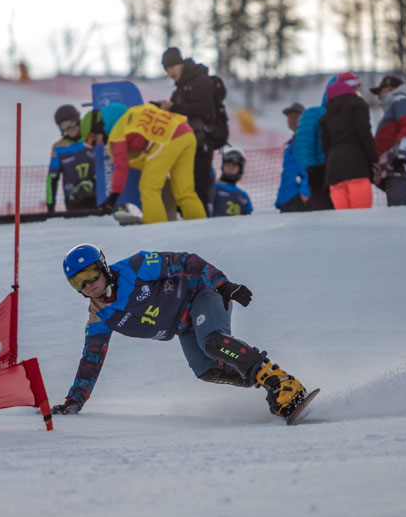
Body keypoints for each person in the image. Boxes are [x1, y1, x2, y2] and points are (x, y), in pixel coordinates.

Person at [52, 243, 310, 419]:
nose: (87, 285)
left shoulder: (135, 267)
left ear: (103, 267)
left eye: (91, 274)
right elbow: (92, 358)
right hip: (182, 326)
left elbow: (186, 261)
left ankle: (283, 382)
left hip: (203, 294)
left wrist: (223, 284)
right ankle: (270, 388)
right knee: (206, 370)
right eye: (78, 281)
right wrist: (75, 400)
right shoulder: (98, 315)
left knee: (212, 342)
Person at [100, 103, 206, 224]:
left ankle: (155, 227)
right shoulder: (136, 112)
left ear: (109, 121)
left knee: (148, 187)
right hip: (187, 133)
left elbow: (121, 167)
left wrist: (113, 196)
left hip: (169, 138)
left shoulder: (118, 130)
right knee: (184, 191)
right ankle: (199, 226)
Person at [155, 47, 227, 215]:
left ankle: (201, 227)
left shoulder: (199, 81)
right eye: (166, 69)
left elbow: (204, 110)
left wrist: (173, 107)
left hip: (202, 140)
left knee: (198, 186)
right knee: (186, 187)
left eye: (171, 67)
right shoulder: (181, 88)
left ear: (180, 64)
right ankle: (191, 224)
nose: (169, 72)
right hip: (188, 142)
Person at [320, 72, 377, 210]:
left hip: (334, 171)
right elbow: (364, 134)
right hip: (356, 166)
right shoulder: (358, 104)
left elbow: (325, 145)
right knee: (361, 215)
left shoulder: (326, 113)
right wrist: (374, 158)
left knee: (343, 220)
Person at [371, 74, 406, 206]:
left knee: (399, 213)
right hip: (392, 167)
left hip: (400, 166)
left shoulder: (402, 100)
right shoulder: (395, 107)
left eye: (380, 92)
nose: (379, 98)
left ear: (389, 88)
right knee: (396, 212)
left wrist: (401, 155)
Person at [293, 77, 336, 210]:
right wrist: (311, 170)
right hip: (320, 173)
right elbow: (303, 146)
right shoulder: (314, 113)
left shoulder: (350, 117)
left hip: (342, 175)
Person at [45, 104, 97, 213]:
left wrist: (92, 181)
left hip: (99, 196)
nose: (70, 128)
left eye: (72, 123)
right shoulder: (58, 148)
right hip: (75, 202)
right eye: (65, 125)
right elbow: (52, 179)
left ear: (78, 120)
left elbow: (105, 164)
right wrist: (50, 208)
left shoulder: (90, 138)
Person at [276, 102, 310, 212]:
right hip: (287, 201)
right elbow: (287, 175)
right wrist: (279, 200)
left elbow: (313, 169)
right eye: (289, 117)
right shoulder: (290, 145)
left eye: (296, 116)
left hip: (301, 200)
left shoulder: (309, 140)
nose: (292, 119)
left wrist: (305, 192)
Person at [211, 145, 253, 216]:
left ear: (240, 169)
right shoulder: (213, 188)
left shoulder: (243, 196)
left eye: (234, 166)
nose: (230, 168)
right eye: (227, 165)